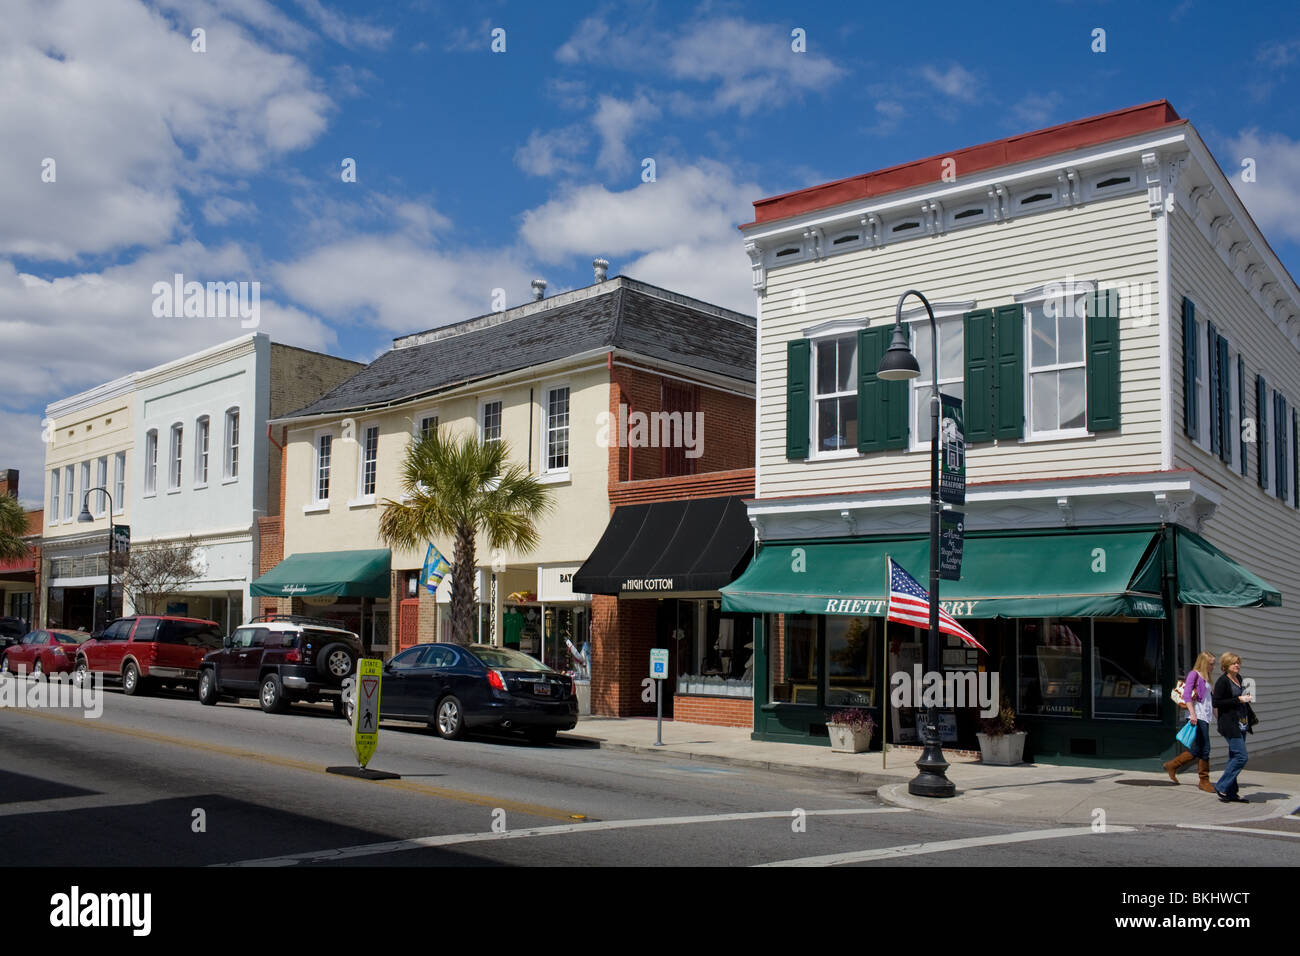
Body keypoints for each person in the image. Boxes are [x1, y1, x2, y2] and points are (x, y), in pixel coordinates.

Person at [1163, 652, 1216, 791]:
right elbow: (1187, 695)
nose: (1213, 666)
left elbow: (1210, 701)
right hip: (1197, 716)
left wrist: (1217, 716)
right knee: (1205, 749)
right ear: (1204, 663)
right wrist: (1192, 714)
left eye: (1214, 663)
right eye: (1211, 663)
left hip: (1205, 716)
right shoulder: (1194, 674)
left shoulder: (1207, 678)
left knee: (1198, 749)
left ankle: (1172, 765)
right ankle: (1204, 781)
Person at [1212, 652, 1255, 803]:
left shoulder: (1239, 678)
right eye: (1233, 663)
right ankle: (1222, 786)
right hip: (1229, 724)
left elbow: (1239, 699)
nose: (1237, 665)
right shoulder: (1222, 681)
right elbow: (1216, 702)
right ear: (1226, 666)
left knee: (1234, 757)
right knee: (1241, 756)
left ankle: (1231, 793)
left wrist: (1246, 699)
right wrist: (1238, 699)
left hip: (1241, 722)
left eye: (1238, 663)